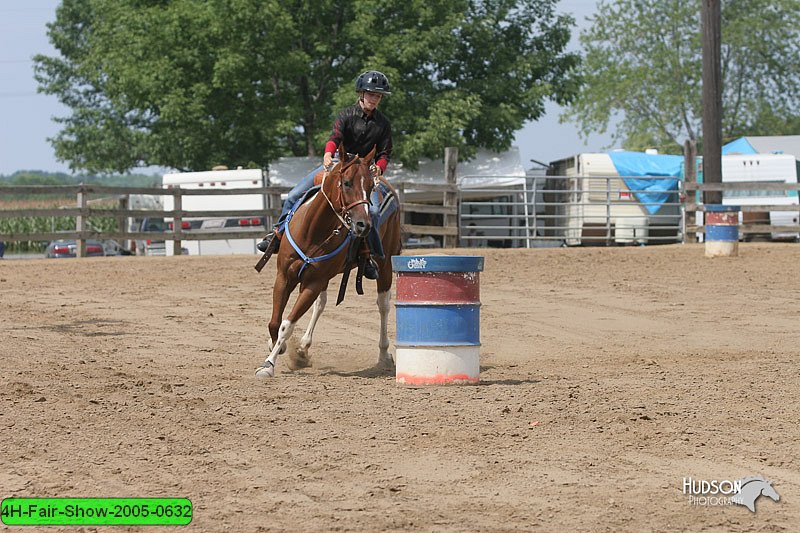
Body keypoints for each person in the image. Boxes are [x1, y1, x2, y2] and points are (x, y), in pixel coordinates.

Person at [258, 70, 393, 279]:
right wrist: (328, 153)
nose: (374, 99)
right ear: (362, 93)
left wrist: (380, 167)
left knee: (373, 213)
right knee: (295, 194)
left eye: (378, 96)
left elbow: (385, 152)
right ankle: (277, 234)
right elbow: (335, 137)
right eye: (371, 94)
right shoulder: (346, 115)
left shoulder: (383, 124)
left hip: (364, 172)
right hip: (340, 163)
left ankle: (368, 255)